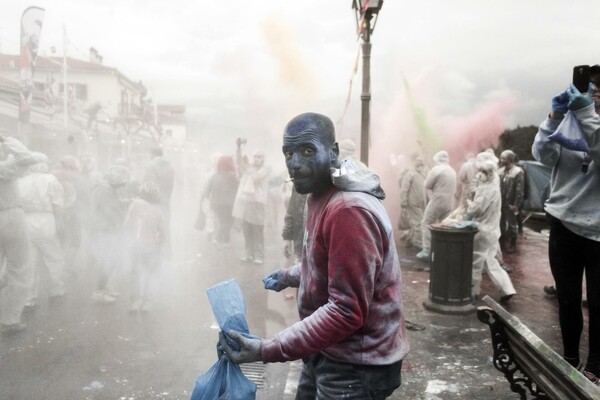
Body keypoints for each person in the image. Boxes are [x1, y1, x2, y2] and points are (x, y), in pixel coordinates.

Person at [218, 112, 409, 399]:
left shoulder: (348, 211)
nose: (295, 163)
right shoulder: (322, 193)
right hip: (328, 350)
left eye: (307, 151)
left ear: (332, 153)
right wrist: (289, 275)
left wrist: (266, 348)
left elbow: (346, 311)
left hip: (356, 365)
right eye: (288, 153)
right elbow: (324, 262)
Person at [532, 75, 600, 385]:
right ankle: (570, 356)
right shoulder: (571, 123)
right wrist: (554, 117)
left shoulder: (588, 122)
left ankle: (596, 368)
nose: (595, 94)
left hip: (598, 230)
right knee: (568, 299)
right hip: (563, 222)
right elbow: (543, 155)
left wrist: (587, 114)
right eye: (592, 88)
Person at [465, 151, 516, 303]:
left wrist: (468, 204)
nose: (479, 174)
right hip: (492, 229)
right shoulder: (494, 184)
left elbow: (476, 209)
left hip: (482, 230)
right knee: (490, 261)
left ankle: (472, 292)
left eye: (481, 171)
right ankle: (507, 289)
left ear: (487, 172)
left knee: (475, 261)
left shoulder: (487, 189)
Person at [18, 152, 66, 310]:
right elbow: (58, 203)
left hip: (25, 220)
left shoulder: (20, 181)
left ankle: (29, 298)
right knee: (54, 257)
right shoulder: (50, 180)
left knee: (29, 261)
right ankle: (56, 289)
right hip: (46, 219)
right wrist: (60, 222)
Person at [0, 136, 37, 333]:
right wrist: (7, 140)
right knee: (20, 268)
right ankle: (10, 319)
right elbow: (27, 157)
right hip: (11, 215)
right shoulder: (5, 169)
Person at [89, 164, 130, 304]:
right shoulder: (105, 189)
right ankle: (99, 292)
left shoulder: (107, 188)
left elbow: (112, 205)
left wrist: (125, 203)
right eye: (122, 182)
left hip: (105, 228)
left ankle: (104, 288)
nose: (122, 186)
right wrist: (121, 224)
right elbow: (109, 211)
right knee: (108, 260)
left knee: (110, 260)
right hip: (104, 229)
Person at [123, 181, 165, 312]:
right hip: (152, 245)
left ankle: (135, 301)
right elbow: (162, 230)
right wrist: (161, 243)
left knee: (135, 272)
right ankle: (147, 302)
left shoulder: (134, 206)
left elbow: (126, 225)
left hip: (135, 245)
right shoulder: (158, 210)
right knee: (150, 274)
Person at [232, 139, 271, 264]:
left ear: (263, 158)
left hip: (258, 202)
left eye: (258, 156)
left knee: (257, 230)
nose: (256, 158)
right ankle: (249, 254)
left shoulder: (266, 168)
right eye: (254, 156)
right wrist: (239, 148)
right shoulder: (250, 167)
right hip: (246, 202)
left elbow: (256, 177)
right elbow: (238, 163)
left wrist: (248, 166)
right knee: (247, 229)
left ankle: (259, 255)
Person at [416, 150, 457, 261]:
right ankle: (446, 250)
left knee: (426, 223)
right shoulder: (452, 171)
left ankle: (427, 251)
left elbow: (427, 184)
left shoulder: (437, 169)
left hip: (438, 199)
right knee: (445, 225)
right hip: (450, 201)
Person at [200, 155, 239, 245]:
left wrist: (206, 198)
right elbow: (238, 188)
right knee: (228, 222)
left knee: (223, 221)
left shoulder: (215, 175)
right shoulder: (232, 176)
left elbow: (207, 190)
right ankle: (217, 238)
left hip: (215, 203)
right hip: (228, 203)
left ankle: (225, 239)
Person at [498, 149, 525, 253]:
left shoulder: (518, 172)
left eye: (503, 158)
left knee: (512, 223)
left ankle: (513, 244)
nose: (501, 160)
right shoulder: (500, 171)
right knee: (501, 223)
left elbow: (519, 190)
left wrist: (516, 204)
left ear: (509, 159)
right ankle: (502, 242)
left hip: (511, 204)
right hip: (501, 202)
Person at [398, 155, 426, 250]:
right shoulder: (410, 174)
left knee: (414, 222)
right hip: (412, 202)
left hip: (419, 203)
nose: (420, 166)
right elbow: (404, 189)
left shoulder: (422, 175)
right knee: (418, 222)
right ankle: (418, 242)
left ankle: (410, 240)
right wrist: (404, 202)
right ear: (415, 164)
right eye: (419, 164)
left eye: (422, 165)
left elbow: (423, 190)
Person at [281, 185, 307, 263]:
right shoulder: (299, 182)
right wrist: (287, 237)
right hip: (300, 245)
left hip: (319, 248)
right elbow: (292, 209)